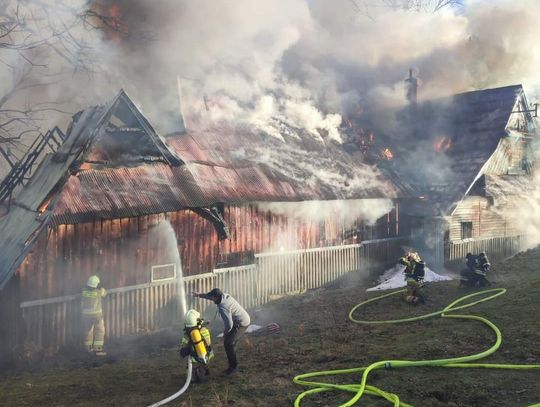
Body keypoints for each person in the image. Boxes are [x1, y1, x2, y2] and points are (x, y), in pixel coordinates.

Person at [192, 288, 250, 375]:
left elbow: (229, 325)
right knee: (231, 342)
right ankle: (233, 352)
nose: (211, 299)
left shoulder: (224, 307)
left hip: (242, 323)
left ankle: (233, 367)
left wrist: (225, 334)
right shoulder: (223, 296)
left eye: (212, 297)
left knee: (228, 343)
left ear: (215, 298)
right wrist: (199, 295)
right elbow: (209, 296)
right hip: (237, 320)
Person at [180, 309, 214, 382]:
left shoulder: (187, 335)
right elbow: (208, 343)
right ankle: (203, 370)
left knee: (194, 374)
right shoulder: (204, 330)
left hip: (194, 359)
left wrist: (189, 348)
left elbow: (183, 350)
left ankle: (195, 374)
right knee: (203, 367)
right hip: (207, 355)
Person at [81, 275, 107, 356]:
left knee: (88, 332)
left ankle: (88, 349)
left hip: (85, 316)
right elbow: (104, 293)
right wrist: (103, 288)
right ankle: (98, 349)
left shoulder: (84, 291)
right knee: (100, 331)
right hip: (96, 316)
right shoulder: (99, 292)